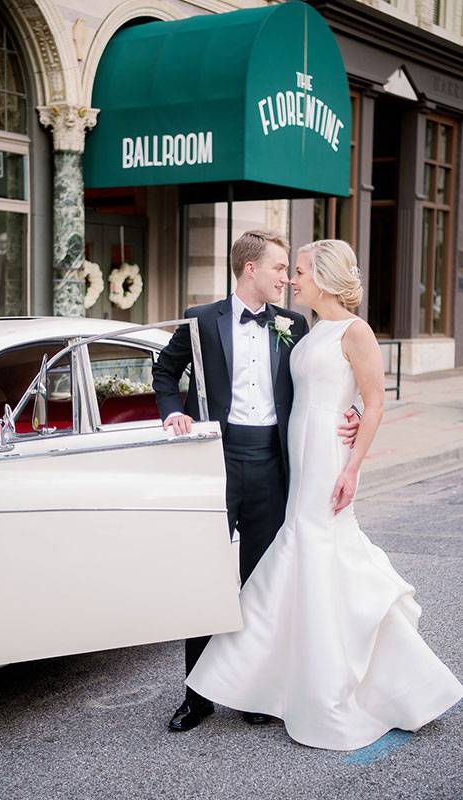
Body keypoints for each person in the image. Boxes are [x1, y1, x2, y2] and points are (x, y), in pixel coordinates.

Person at [185, 239, 463, 750]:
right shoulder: (307, 329)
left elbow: (375, 403)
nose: (293, 278)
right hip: (296, 454)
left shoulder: (356, 331)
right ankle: (275, 680)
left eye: (301, 270)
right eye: (289, 270)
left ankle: (341, 683)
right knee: (301, 556)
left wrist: (353, 466)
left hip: (329, 459)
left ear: (325, 277)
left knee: (316, 552)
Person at [152, 230, 360, 732]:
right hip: (215, 461)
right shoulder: (201, 320)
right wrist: (171, 415)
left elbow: (324, 376)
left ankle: (254, 690)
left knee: (261, 579)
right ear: (250, 269)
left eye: (292, 270)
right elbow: (164, 373)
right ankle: (196, 696)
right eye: (279, 269)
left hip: (272, 461)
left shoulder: (294, 323)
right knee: (205, 576)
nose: (287, 279)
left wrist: (350, 409)